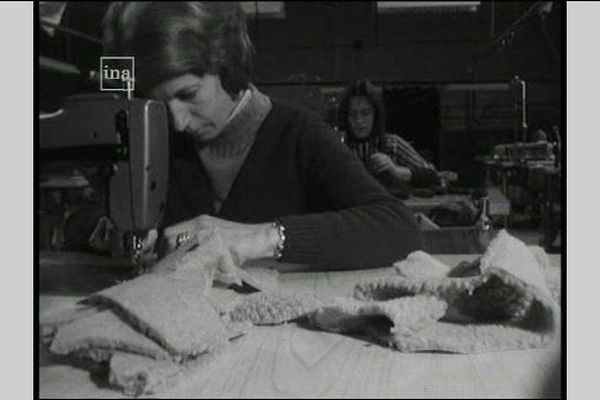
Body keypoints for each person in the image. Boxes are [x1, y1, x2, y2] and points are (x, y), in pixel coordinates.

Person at [101, 2, 423, 270]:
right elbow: (83, 214)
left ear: (228, 66)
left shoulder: (300, 135)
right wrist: (109, 231)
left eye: (188, 94)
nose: (178, 122)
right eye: (159, 103)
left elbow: (398, 227)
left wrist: (261, 239)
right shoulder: (158, 141)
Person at [338, 79, 440, 190]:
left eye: (365, 113)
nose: (359, 121)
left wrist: (395, 170)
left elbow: (432, 175)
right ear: (346, 118)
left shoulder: (392, 143)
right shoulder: (339, 146)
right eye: (353, 114)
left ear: (375, 115)